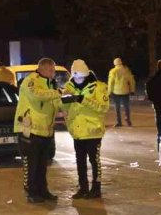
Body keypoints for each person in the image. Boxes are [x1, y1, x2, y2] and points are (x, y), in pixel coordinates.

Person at [14, 57, 62, 204]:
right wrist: (58, 92)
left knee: (42, 164)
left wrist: (67, 103)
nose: (53, 73)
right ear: (42, 69)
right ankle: (31, 192)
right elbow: (37, 96)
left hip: (45, 130)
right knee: (31, 164)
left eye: (53, 70)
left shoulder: (49, 84)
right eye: (51, 70)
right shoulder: (31, 80)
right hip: (29, 129)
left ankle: (43, 190)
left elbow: (54, 102)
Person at [62, 60, 110, 199]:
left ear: (86, 74)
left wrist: (83, 100)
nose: (77, 80)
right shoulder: (69, 87)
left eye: (80, 77)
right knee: (80, 160)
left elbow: (103, 107)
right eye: (75, 77)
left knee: (94, 160)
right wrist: (64, 100)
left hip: (93, 131)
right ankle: (83, 188)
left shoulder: (99, 87)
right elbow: (63, 107)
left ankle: (96, 188)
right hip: (77, 132)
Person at [107, 57, 136, 127]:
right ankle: (128, 120)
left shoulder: (113, 71)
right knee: (126, 106)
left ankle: (119, 122)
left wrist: (109, 92)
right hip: (125, 91)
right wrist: (132, 90)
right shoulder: (126, 70)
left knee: (117, 107)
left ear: (115, 63)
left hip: (116, 92)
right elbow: (131, 80)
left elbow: (110, 83)